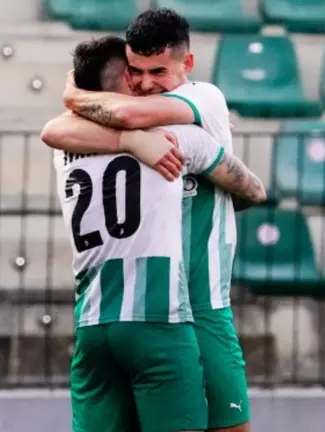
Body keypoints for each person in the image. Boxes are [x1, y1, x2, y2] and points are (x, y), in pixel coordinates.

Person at [43, 8, 251, 432]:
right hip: (161, 313)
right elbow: (252, 190)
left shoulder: (203, 98)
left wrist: (75, 97)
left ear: (186, 64)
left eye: (158, 71)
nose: (144, 84)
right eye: (135, 72)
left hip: (198, 302)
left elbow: (62, 127)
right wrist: (132, 139)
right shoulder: (158, 130)